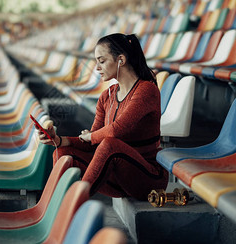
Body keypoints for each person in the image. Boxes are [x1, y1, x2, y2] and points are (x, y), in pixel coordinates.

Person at [36, 33, 168, 200]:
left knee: (109, 144)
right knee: (62, 153)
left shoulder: (146, 90)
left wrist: (90, 136)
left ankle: (73, 203)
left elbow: (115, 131)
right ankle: (53, 205)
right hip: (118, 179)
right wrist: (59, 140)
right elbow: (91, 144)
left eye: (102, 61)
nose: (96, 67)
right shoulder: (106, 96)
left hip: (148, 179)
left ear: (121, 60)